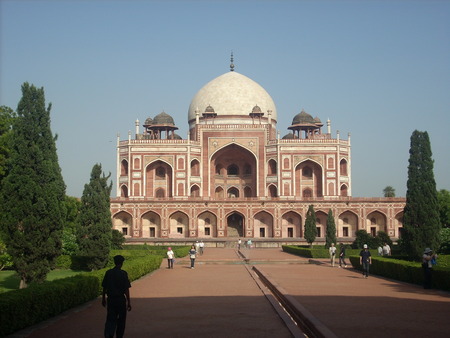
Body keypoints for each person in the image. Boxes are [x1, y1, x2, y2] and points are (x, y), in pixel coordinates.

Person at [102, 255, 132, 338]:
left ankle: (109, 334)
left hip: (111, 299)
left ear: (115, 262)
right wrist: (129, 302)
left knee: (110, 318)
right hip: (120, 300)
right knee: (121, 320)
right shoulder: (123, 273)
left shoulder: (109, 272)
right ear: (122, 263)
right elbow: (126, 289)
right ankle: (119, 335)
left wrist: (103, 298)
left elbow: (104, 287)